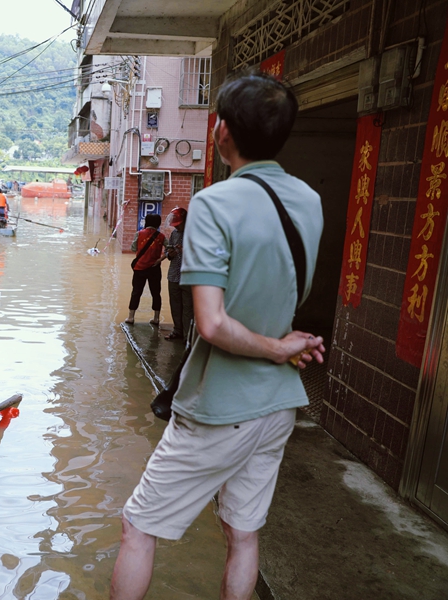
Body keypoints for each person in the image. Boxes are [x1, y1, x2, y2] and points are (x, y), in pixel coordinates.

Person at [110, 71, 326, 600]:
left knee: (139, 527)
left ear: (222, 131)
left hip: (219, 408)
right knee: (243, 534)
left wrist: (277, 346)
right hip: (278, 406)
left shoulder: (213, 204)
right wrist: (284, 346)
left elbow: (212, 323)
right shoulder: (310, 201)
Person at [125, 213, 166, 326]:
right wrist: (160, 259)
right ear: (158, 223)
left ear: (146, 222)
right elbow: (170, 249)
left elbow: (133, 248)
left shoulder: (139, 234)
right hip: (155, 268)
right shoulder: (161, 236)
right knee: (156, 293)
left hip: (140, 269)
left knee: (136, 292)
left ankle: (131, 317)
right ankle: (156, 318)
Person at [164, 207, 193, 341]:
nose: (177, 227)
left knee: (188, 308)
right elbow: (167, 252)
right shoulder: (174, 234)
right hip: (174, 275)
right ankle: (177, 331)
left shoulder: (193, 234)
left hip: (188, 276)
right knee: (175, 305)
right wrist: (170, 254)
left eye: (179, 224)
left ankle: (188, 335)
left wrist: (184, 251)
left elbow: (199, 255)